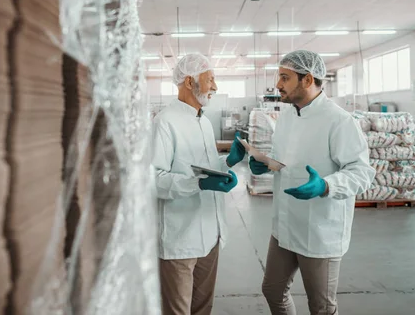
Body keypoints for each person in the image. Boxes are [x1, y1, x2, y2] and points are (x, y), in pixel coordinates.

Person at [249, 50, 375, 315]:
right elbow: (288, 162)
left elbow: (362, 172)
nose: (278, 84)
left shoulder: (339, 121)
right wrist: (266, 163)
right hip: (284, 224)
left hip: (319, 230)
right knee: (273, 290)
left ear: (307, 80)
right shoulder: (286, 117)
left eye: (284, 77)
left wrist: (326, 186)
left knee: (321, 306)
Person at [152, 53, 247, 315]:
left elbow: (203, 165)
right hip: (180, 238)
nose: (215, 86)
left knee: (203, 308)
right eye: (210, 79)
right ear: (189, 81)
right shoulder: (164, 123)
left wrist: (227, 162)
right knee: (178, 310)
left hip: (211, 235)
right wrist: (199, 185)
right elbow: (153, 180)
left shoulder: (203, 120)